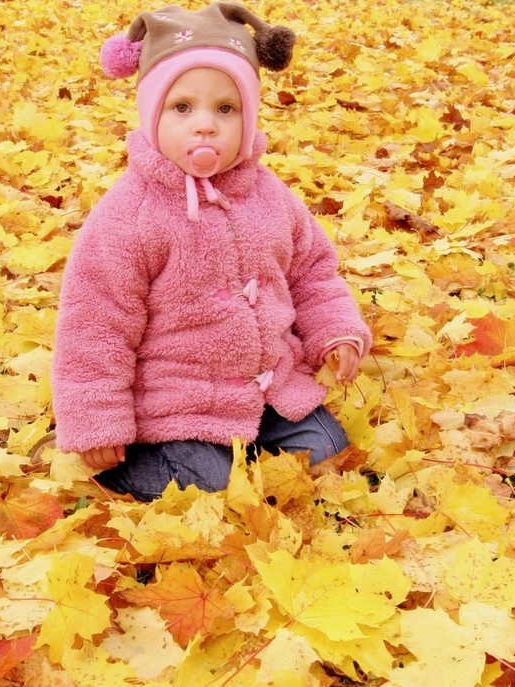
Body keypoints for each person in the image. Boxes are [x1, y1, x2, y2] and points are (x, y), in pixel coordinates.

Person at [51, 3, 372, 502]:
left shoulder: (269, 195)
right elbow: (95, 320)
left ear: (249, 116)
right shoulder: (130, 215)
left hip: (268, 387)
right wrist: (98, 419)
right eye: (183, 108)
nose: (205, 126)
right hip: (175, 401)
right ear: (152, 113)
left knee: (328, 446)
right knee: (204, 484)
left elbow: (313, 274)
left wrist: (334, 333)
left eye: (225, 109)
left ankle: (253, 459)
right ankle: (129, 467)